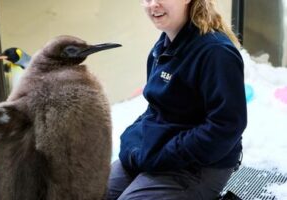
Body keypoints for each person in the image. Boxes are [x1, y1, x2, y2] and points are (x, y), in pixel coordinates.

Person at [105, 0, 247, 199]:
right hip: (161, 152)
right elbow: (156, 110)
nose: (153, 5)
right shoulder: (162, 47)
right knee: (91, 192)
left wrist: (161, 155)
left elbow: (225, 127)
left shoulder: (215, 52)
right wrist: (133, 143)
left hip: (201, 164)